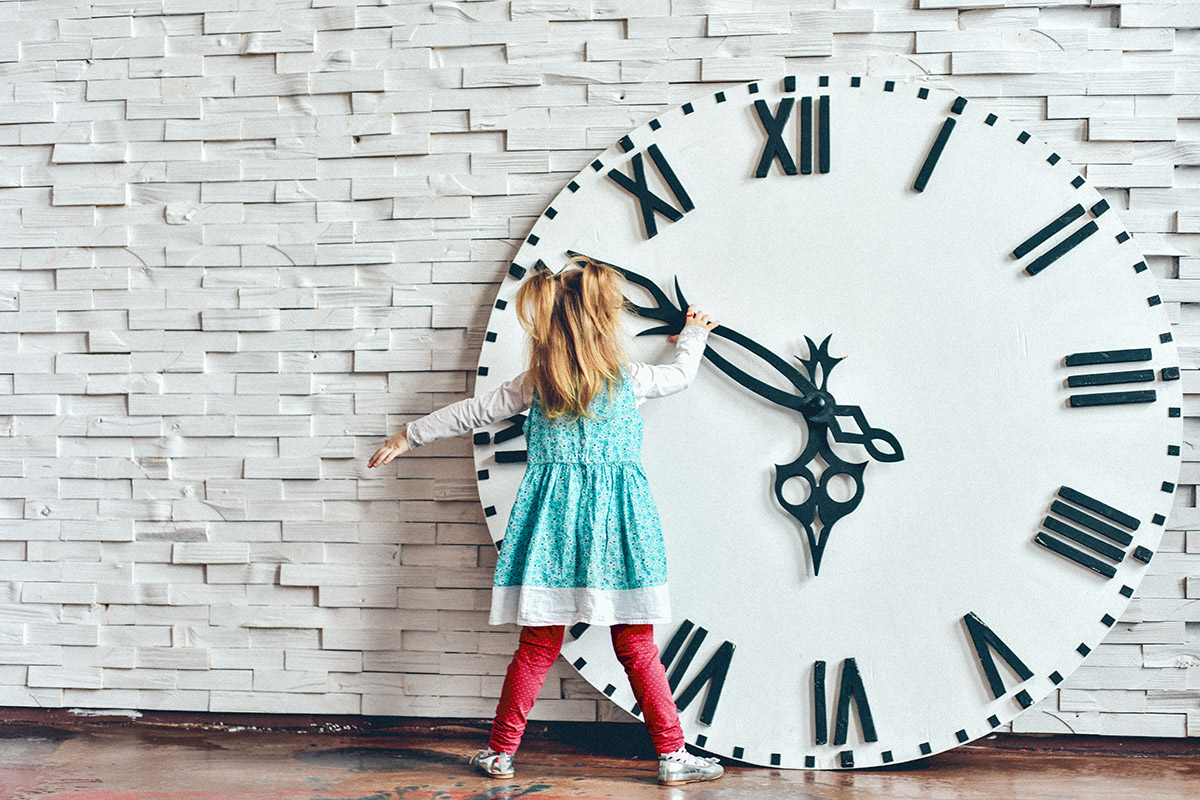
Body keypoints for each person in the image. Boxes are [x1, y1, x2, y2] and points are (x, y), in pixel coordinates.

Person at [367, 256, 724, 786]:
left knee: (538, 646)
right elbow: (681, 376)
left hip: (551, 530)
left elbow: (472, 412)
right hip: (619, 528)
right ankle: (672, 756)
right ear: (605, 322)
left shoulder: (539, 381)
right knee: (637, 644)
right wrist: (692, 335)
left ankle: (499, 754)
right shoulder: (630, 379)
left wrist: (408, 435)